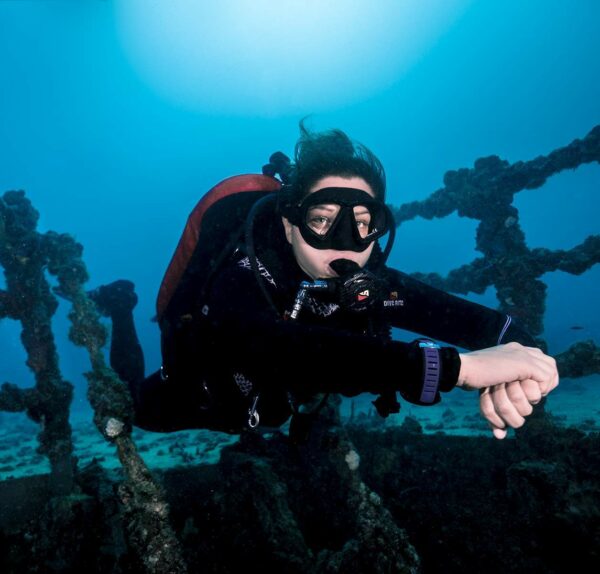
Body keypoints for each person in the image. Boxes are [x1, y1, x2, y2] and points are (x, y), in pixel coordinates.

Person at [93, 123, 558, 441]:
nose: (345, 244)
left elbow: (501, 333)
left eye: (362, 223)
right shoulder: (244, 271)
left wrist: (524, 370)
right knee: (126, 412)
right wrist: (462, 371)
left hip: (277, 405)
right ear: (291, 226)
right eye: (322, 220)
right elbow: (267, 346)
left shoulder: (372, 280)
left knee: (282, 415)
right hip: (203, 393)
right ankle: (120, 308)